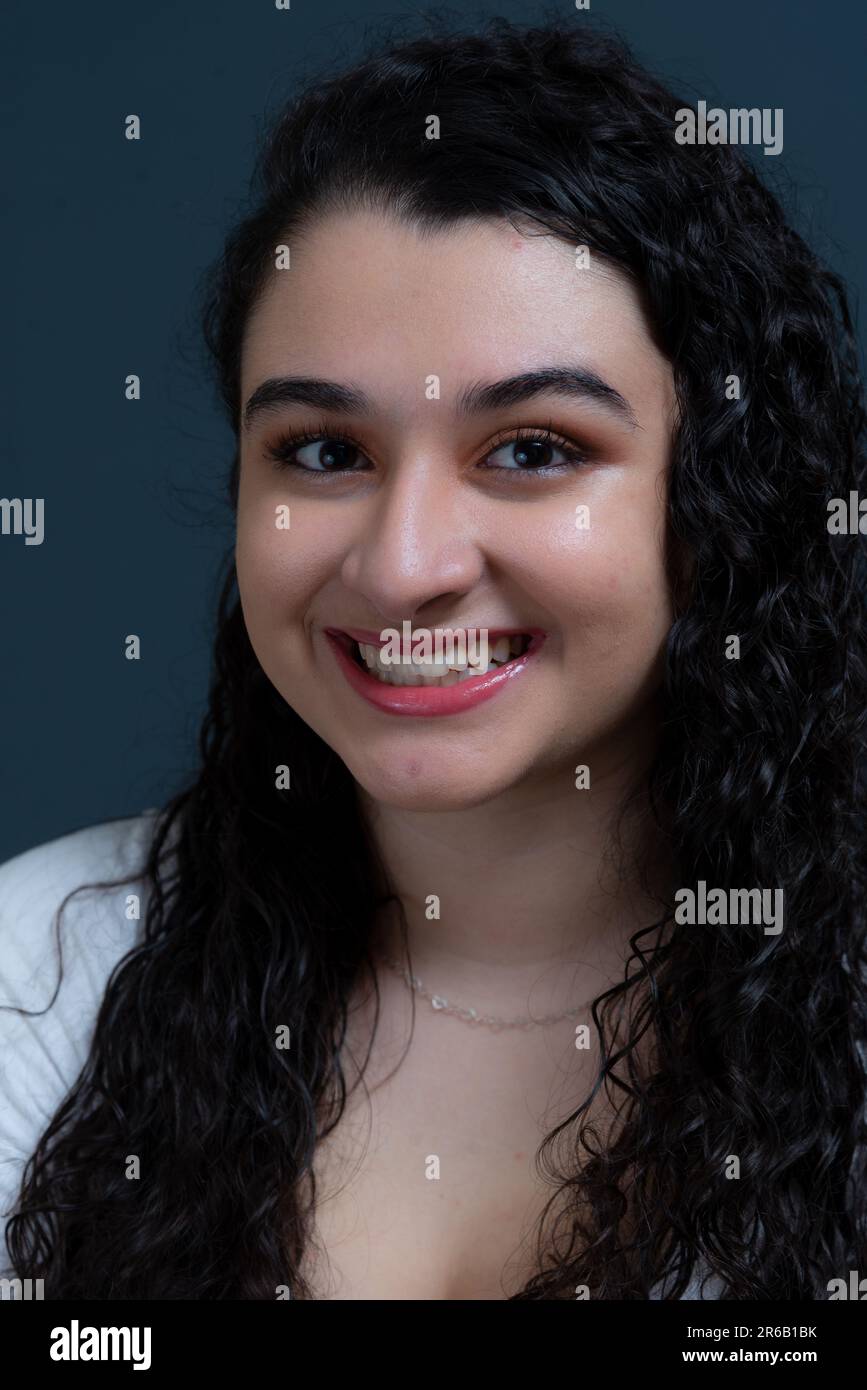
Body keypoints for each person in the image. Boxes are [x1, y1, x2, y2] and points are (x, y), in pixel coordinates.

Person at [1, 16, 865, 1300]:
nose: (404, 565)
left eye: (531, 448)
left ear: (718, 494)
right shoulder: (34, 980)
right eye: (325, 451)